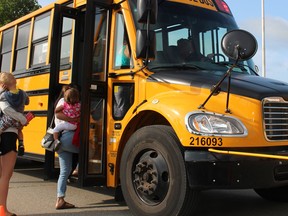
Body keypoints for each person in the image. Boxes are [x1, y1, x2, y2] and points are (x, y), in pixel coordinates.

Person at [0, 72, 28, 216]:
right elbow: (6, 109)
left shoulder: (2, 95)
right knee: (6, 175)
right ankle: (2, 209)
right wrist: (22, 118)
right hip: (9, 134)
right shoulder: (20, 95)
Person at [54, 84, 80, 210]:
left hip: (59, 140)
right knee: (90, 152)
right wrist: (76, 119)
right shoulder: (73, 105)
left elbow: (57, 115)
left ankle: (60, 199)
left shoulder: (60, 104)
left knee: (64, 172)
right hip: (69, 137)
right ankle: (78, 169)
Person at [0, 72, 30, 156]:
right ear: (16, 81)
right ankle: (21, 143)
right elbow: (27, 102)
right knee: (19, 130)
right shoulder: (23, 93)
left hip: (8, 119)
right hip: (18, 120)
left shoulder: (4, 95)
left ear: (4, 84)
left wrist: (1, 90)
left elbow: (5, 108)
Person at [52, 87, 81, 151]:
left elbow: (56, 111)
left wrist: (63, 110)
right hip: (74, 126)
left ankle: (56, 141)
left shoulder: (64, 105)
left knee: (55, 129)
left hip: (67, 124)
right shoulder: (79, 105)